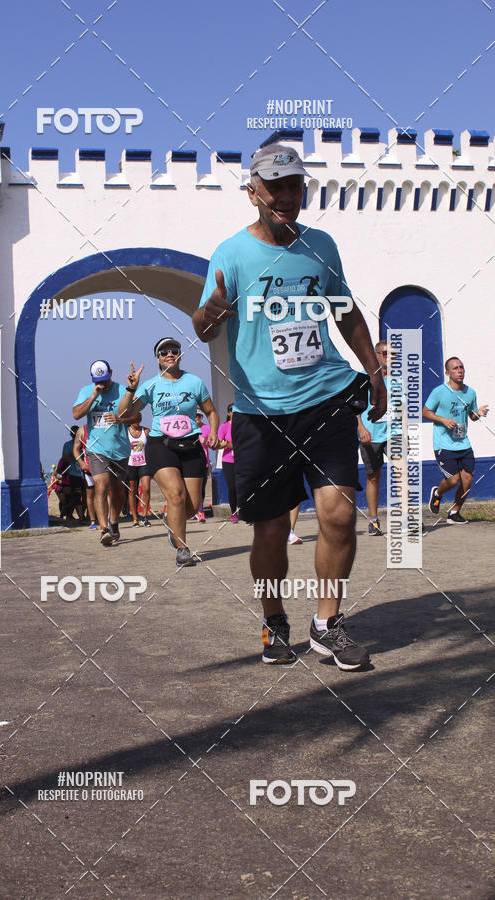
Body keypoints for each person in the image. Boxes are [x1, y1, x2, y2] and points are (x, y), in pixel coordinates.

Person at [192, 141, 386, 669]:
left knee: (339, 514)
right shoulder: (231, 254)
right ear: (252, 192)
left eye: (294, 186)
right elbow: (205, 325)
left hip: (324, 397)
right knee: (273, 527)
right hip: (261, 413)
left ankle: (327, 625)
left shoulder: (321, 245)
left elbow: (345, 314)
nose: (285, 197)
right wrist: (211, 312)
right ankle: (274, 619)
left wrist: (372, 371)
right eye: (274, 187)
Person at [118, 338, 219, 567]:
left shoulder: (194, 382)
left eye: (174, 350)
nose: (170, 354)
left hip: (191, 445)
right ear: (158, 358)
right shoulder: (151, 385)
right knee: (175, 495)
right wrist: (132, 388)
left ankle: (171, 520)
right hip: (160, 445)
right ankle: (182, 549)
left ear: (180, 355)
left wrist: (212, 431)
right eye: (164, 352)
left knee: (191, 507)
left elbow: (211, 411)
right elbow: (124, 412)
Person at [72, 359, 138, 546]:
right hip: (96, 448)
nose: (102, 384)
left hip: (120, 449)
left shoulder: (122, 390)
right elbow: (76, 414)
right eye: (98, 380)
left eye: (105, 379)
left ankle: (114, 521)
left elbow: (138, 416)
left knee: (118, 491)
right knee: (101, 486)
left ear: (111, 373)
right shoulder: (87, 391)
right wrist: (93, 396)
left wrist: (120, 419)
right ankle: (104, 529)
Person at [423, 357, 489, 524]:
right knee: (453, 480)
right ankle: (437, 493)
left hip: (463, 442)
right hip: (444, 443)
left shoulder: (470, 392)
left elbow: (471, 416)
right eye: (455, 368)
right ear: (447, 373)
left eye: (461, 367)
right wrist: (443, 420)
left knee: (467, 480)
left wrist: (478, 413)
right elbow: (425, 412)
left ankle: (454, 512)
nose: (459, 371)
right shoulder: (439, 391)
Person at [357, 340, 405, 536]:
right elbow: (354, 407)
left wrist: (405, 433)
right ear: (376, 355)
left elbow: (401, 409)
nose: (389, 357)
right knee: (373, 478)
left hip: (394, 433)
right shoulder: (364, 378)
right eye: (385, 353)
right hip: (371, 435)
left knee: (403, 473)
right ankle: (374, 520)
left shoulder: (399, 380)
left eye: (393, 354)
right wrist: (361, 429)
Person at [126, 415, 152, 526]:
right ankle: (135, 518)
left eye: (138, 420)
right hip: (130, 464)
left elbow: (153, 445)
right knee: (132, 490)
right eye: (134, 420)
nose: (137, 422)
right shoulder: (125, 432)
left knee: (146, 488)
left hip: (144, 463)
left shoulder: (146, 431)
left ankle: (145, 516)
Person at [72, 423, 97, 528]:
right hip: (88, 469)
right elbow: (75, 449)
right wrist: (81, 463)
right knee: (90, 495)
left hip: (103, 468)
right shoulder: (82, 430)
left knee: (105, 494)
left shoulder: (105, 427)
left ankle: (108, 519)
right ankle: (92, 521)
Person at [218, 404, 238, 523]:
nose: (234, 413)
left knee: (243, 487)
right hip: (228, 461)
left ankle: (246, 513)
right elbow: (218, 444)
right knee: (232, 487)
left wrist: (233, 445)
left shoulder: (242, 426)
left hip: (242, 460)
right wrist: (226, 444)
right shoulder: (224, 427)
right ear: (228, 413)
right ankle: (234, 513)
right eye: (232, 411)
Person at [63, 425, 87, 519]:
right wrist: (74, 453)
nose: (74, 435)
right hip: (74, 473)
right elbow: (64, 459)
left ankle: (83, 514)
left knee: (86, 496)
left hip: (85, 473)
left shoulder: (85, 443)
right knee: (76, 495)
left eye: (76, 433)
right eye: (73, 434)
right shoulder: (68, 445)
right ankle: (79, 516)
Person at [195, 408, 211, 521]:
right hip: (192, 460)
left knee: (202, 488)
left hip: (204, 461)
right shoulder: (189, 427)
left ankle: (198, 510)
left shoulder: (206, 428)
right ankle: (200, 512)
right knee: (196, 488)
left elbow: (212, 443)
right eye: (195, 415)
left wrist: (205, 442)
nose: (197, 418)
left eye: (199, 416)